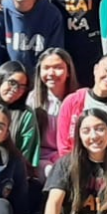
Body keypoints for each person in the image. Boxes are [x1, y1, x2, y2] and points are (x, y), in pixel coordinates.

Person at [29, 48, 78, 177]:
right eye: (46, 68)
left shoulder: (78, 99)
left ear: (68, 71)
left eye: (58, 67)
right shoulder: (32, 100)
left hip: (71, 157)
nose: (51, 73)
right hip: (41, 159)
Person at [0, 61, 41, 174]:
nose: (16, 89)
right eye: (12, 82)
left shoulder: (25, 114)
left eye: (22, 87)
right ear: (0, 79)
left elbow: (26, 155)